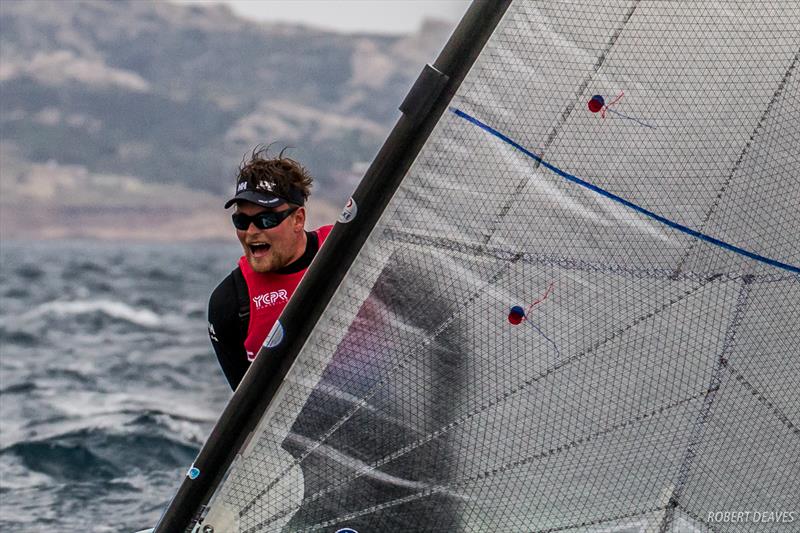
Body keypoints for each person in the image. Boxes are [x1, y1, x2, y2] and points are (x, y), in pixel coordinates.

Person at [208, 147, 333, 390]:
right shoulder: (229, 304)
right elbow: (249, 409)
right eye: (242, 221)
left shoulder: (344, 247)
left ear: (298, 219)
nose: (252, 232)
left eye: (266, 219)